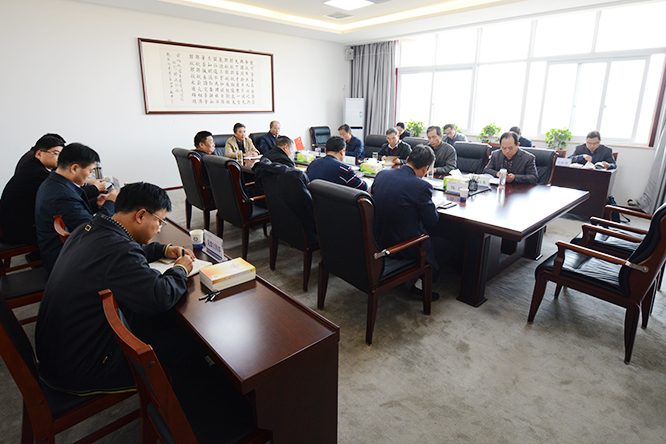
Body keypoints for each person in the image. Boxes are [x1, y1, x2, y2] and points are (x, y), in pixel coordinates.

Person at [36, 182, 197, 394]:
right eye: (159, 222)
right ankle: (184, 399)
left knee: (163, 321)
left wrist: (162, 249)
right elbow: (160, 296)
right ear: (141, 215)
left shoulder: (89, 229)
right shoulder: (119, 250)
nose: (159, 229)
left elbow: (128, 253)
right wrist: (181, 269)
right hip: (83, 366)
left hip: (58, 353)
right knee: (188, 340)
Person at [35, 143, 118, 272]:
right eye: (90, 171)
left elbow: (73, 212)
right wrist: (110, 203)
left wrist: (96, 204)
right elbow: (92, 229)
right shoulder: (62, 195)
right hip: (65, 261)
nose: (90, 176)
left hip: (62, 250)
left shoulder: (53, 183)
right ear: (74, 168)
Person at [371, 145, 440, 300]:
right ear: (426, 168)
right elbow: (432, 220)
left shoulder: (382, 175)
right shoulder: (422, 186)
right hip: (402, 246)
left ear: (407, 159)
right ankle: (420, 286)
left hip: (378, 239)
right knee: (443, 244)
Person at [0, 135, 63, 246]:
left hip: (14, 224)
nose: (60, 158)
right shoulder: (37, 173)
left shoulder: (31, 165)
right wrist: (94, 188)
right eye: (56, 153)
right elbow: (63, 189)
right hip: (19, 231)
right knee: (66, 232)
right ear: (39, 154)